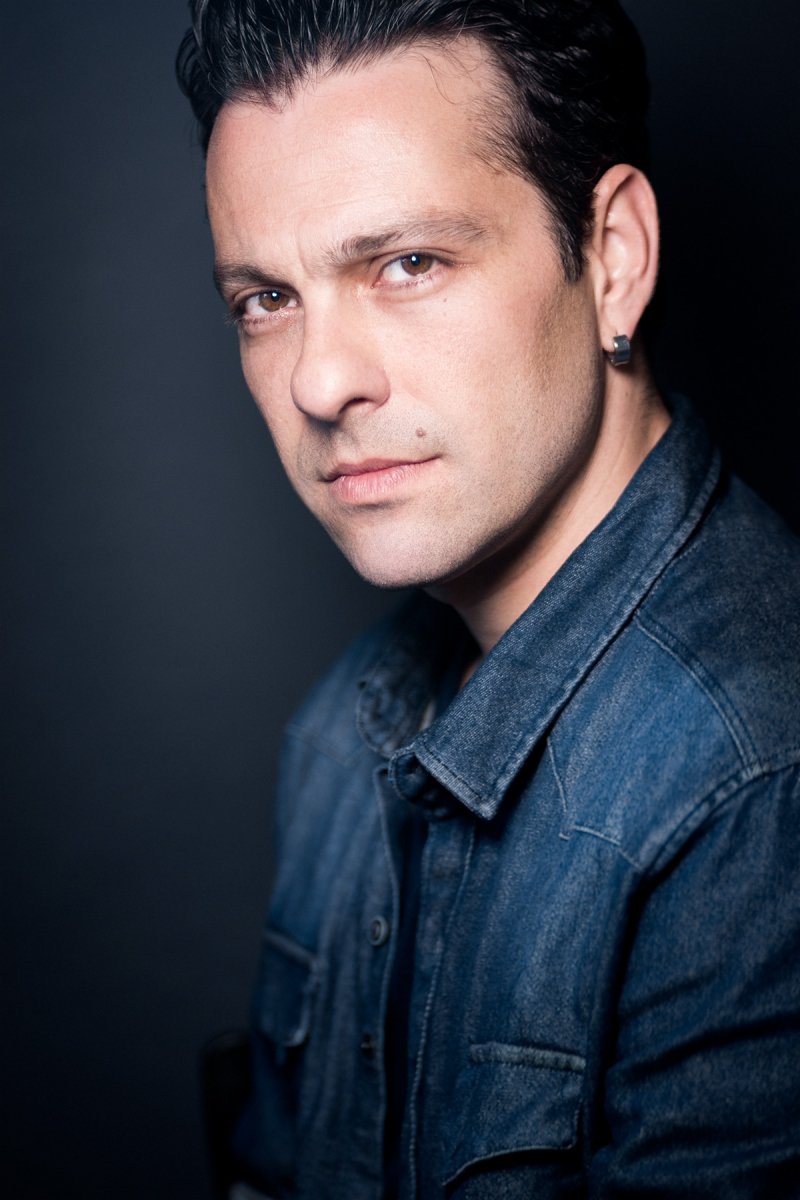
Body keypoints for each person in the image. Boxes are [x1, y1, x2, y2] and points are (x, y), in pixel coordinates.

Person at [177, 1, 800, 1196]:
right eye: (266, 299)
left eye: (407, 264)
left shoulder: (757, 786)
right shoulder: (342, 728)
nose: (317, 381)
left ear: (611, 257)